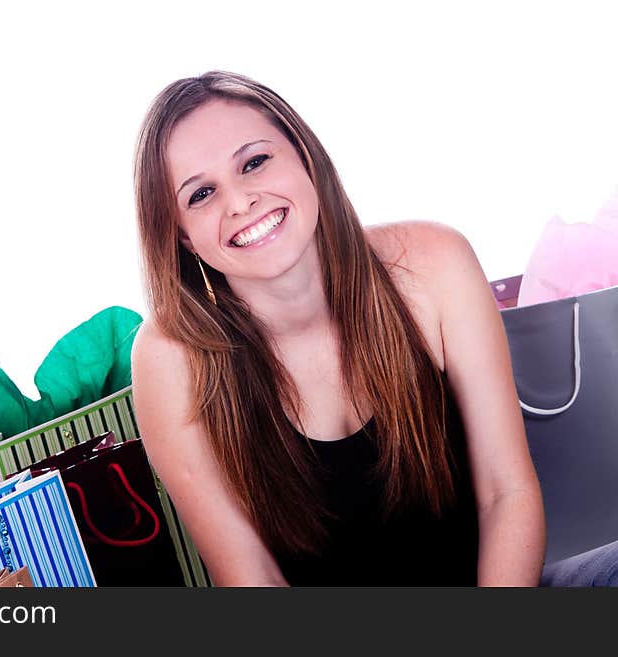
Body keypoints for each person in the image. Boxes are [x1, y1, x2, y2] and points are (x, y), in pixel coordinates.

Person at [129, 70, 547, 586]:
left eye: (254, 162)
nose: (239, 203)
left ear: (306, 157)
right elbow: (249, 578)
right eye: (201, 195)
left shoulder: (436, 264)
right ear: (183, 238)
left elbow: (507, 492)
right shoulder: (171, 357)